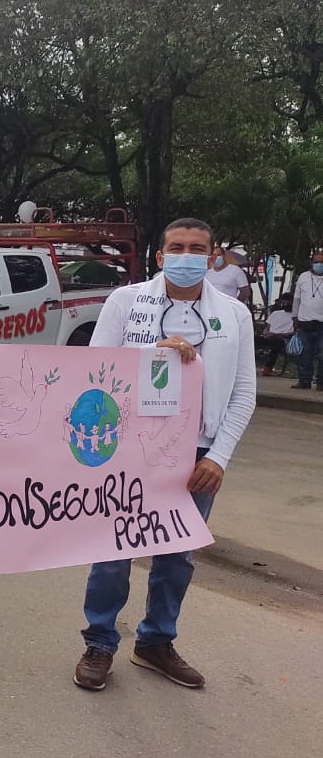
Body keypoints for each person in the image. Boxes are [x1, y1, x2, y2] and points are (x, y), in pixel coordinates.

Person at [73, 217, 255, 693]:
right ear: (159, 255)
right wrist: (153, 356)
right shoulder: (125, 303)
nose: (187, 255)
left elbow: (243, 393)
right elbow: (94, 375)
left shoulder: (234, 316)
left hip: (197, 453)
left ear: (213, 257)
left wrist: (219, 457)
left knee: (177, 556)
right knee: (114, 551)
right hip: (131, 448)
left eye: (198, 247)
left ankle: (155, 642)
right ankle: (100, 641)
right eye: (177, 246)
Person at [290, 249, 323, 391]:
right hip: (304, 322)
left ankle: (321, 382)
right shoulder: (303, 277)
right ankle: (304, 381)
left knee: (322, 354)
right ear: (311, 263)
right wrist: (294, 317)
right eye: (316, 262)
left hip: (321, 324)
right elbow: (297, 299)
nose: (319, 264)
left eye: (322, 262)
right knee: (304, 354)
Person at [261, 295, 296, 375]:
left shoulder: (295, 317)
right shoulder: (276, 313)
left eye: (288, 303)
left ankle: (267, 369)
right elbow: (267, 327)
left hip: (282, 338)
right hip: (268, 337)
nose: (285, 305)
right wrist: (265, 332)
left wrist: (275, 334)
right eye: (284, 303)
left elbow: (293, 332)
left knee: (276, 344)